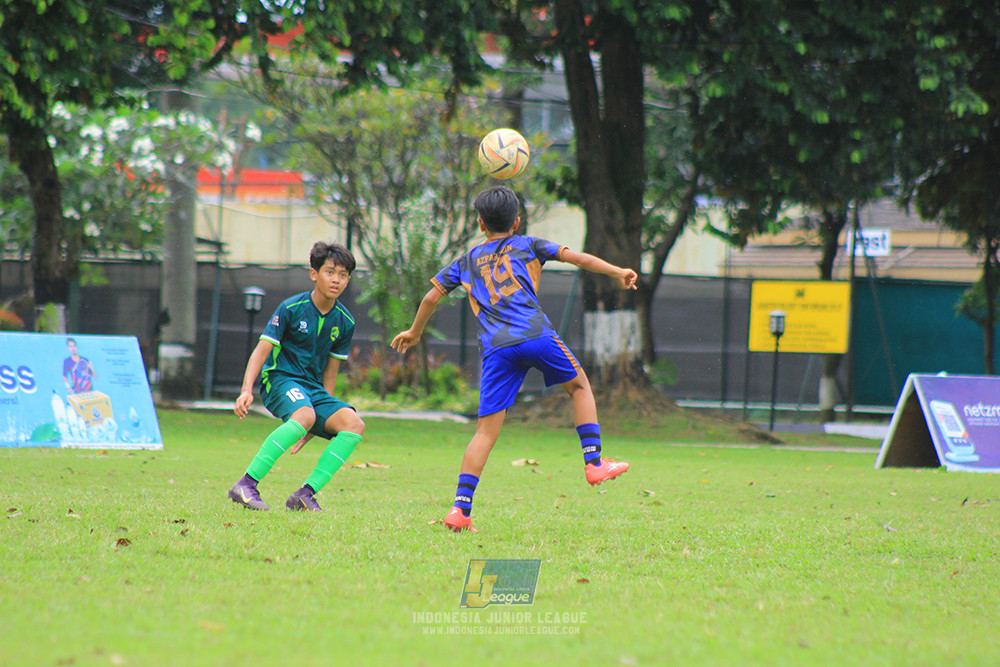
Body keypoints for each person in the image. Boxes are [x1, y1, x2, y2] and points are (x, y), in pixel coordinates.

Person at [391, 185, 636, 532]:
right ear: (517, 222)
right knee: (580, 387)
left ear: (480, 224)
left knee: (484, 433)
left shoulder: (467, 261)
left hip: (497, 349)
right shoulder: (529, 245)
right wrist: (617, 272)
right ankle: (594, 463)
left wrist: (415, 332)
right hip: (535, 335)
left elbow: (431, 297)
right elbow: (578, 259)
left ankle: (460, 510)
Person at [228, 241, 365, 512]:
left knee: (354, 424)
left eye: (343, 275)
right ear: (314, 274)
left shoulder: (345, 321)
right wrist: (246, 389)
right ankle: (245, 485)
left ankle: (305, 494)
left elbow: (330, 373)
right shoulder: (291, 308)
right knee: (304, 414)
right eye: (330, 272)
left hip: (313, 390)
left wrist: (318, 422)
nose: (336, 280)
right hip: (280, 379)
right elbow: (261, 351)